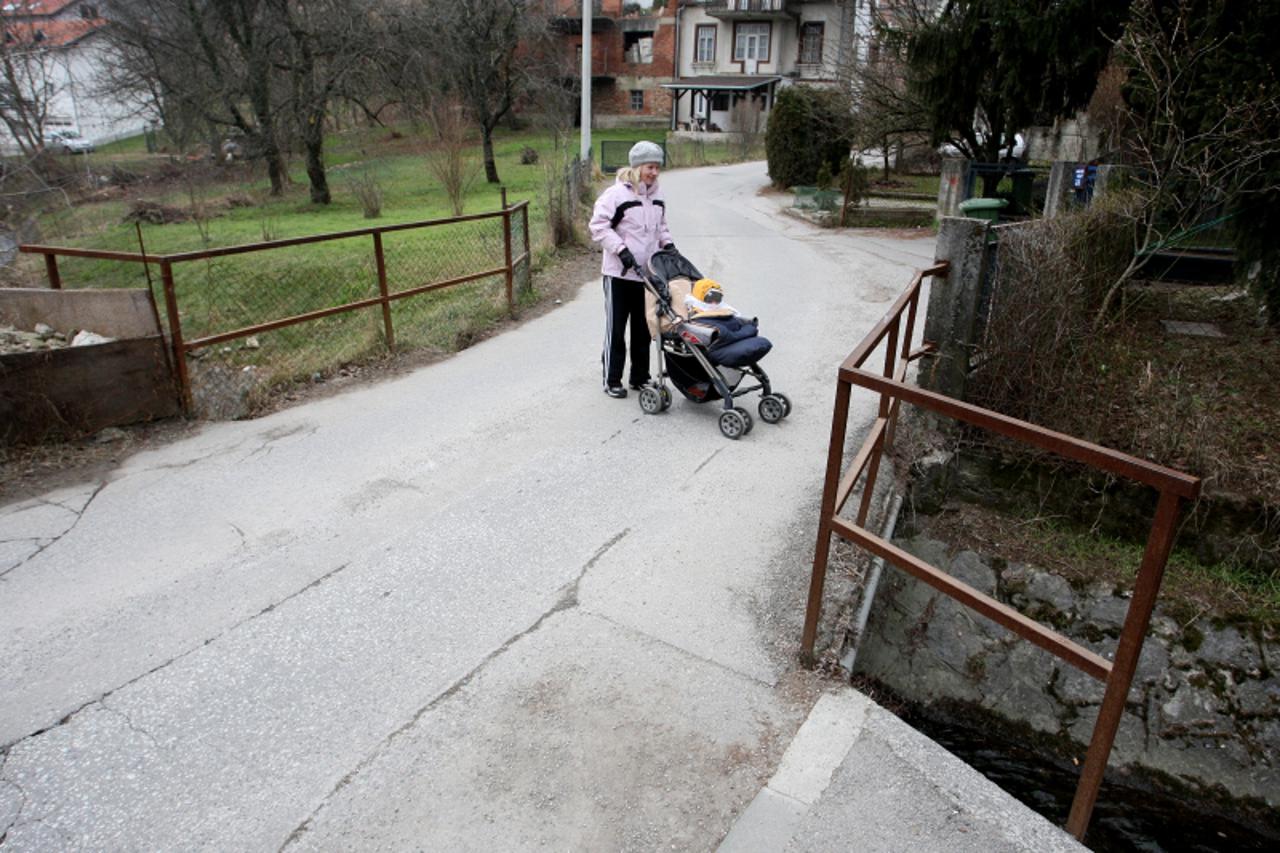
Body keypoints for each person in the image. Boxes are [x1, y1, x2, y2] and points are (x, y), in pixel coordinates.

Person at [589, 140, 675, 398]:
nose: (655, 172)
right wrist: (621, 250)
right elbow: (598, 227)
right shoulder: (616, 195)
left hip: (646, 274)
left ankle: (640, 377)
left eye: (658, 167)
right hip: (619, 274)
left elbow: (661, 228)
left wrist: (669, 247)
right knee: (616, 329)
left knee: (643, 328)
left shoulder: (657, 197)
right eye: (650, 167)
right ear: (637, 167)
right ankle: (611, 379)